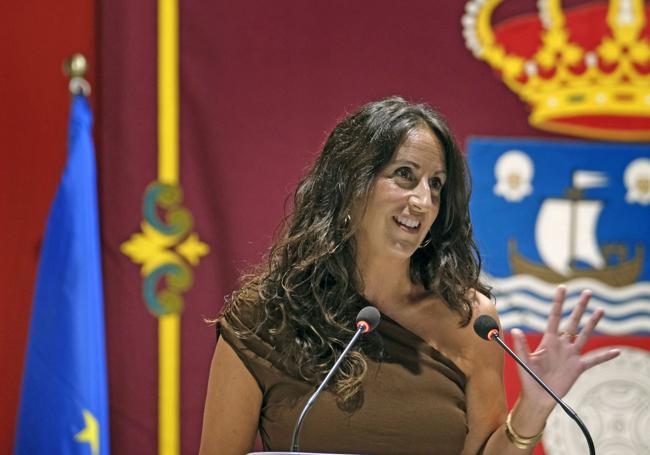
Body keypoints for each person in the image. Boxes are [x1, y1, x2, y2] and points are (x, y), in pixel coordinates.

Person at [199, 97, 619, 455]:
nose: (423, 200)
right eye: (405, 175)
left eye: (435, 185)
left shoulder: (470, 319)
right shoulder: (264, 317)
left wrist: (534, 407)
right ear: (350, 184)